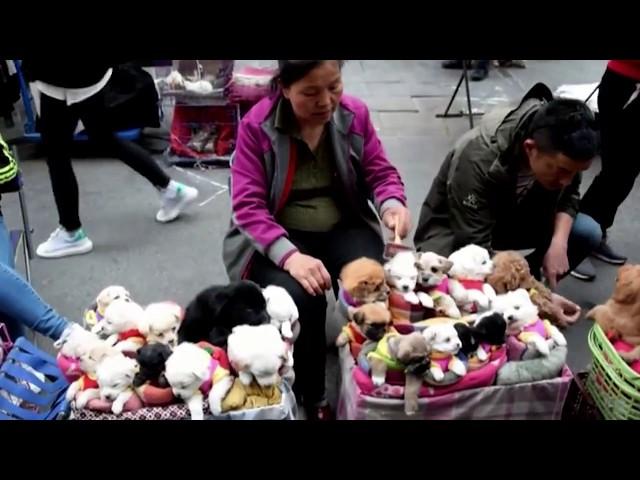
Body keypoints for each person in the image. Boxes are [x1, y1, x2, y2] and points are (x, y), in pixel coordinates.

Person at [222, 60, 410, 420]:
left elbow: (379, 171)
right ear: (285, 88)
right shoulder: (256, 127)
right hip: (279, 235)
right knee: (301, 299)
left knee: (371, 280)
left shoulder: (354, 114)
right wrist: (290, 256)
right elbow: (247, 207)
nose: (326, 101)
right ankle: (315, 394)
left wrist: (391, 203)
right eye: (311, 92)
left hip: (343, 221)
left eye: (334, 87)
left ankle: (376, 374)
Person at [413, 83, 601, 304]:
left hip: (512, 217)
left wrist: (559, 243)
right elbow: (475, 244)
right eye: (562, 171)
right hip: (458, 229)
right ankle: (519, 290)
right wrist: (537, 294)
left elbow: (570, 197)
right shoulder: (478, 156)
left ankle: (524, 282)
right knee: (449, 290)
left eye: (575, 173)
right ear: (530, 148)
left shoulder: (566, 152)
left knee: (586, 232)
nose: (566, 180)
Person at [21, 60, 199, 259]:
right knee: (103, 137)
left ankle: (71, 232)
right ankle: (171, 189)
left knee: (57, 154)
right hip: (90, 75)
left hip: (60, 78)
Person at [571, 60, 640, 281]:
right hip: (625, 85)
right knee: (615, 172)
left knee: (626, 173)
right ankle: (575, 241)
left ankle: (594, 232)